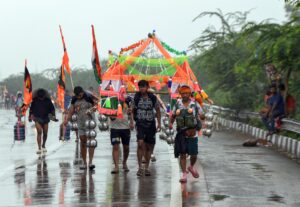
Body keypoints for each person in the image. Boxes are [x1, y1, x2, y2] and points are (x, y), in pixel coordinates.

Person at [169, 85, 203, 183]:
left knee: (194, 154)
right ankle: (184, 174)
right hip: (181, 133)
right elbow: (173, 115)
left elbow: (202, 114)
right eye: (183, 93)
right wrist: (171, 123)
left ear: (189, 94)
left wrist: (201, 115)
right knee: (182, 154)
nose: (185, 95)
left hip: (192, 133)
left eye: (187, 93)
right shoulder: (177, 104)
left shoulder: (195, 104)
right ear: (180, 94)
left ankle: (191, 167)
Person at [131, 80, 161, 176]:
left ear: (147, 87)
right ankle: (140, 167)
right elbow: (131, 110)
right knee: (140, 144)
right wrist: (131, 121)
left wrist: (159, 123)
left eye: (143, 87)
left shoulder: (153, 97)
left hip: (151, 124)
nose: (141, 89)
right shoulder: (136, 97)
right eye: (140, 87)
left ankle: (147, 168)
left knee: (148, 147)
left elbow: (158, 110)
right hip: (140, 124)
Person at [64, 86, 98, 170]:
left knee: (91, 142)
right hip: (80, 123)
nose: (79, 97)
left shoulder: (89, 97)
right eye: (77, 96)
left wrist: (92, 109)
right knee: (83, 141)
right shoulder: (74, 99)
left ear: (82, 92)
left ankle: (90, 162)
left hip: (90, 123)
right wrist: (67, 120)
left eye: (80, 95)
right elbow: (71, 111)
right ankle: (84, 162)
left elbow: (97, 105)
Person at [110, 96, 134, 174]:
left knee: (126, 147)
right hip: (114, 128)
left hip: (125, 127)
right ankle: (116, 166)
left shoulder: (127, 100)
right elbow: (110, 116)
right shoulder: (112, 100)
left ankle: (124, 162)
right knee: (115, 146)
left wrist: (131, 122)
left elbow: (130, 112)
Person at [29, 88, 57, 154]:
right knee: (39, 132)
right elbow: (31, 109)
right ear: (38, 96)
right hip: (37, 118)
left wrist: (53, 115)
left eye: (42, 97)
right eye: (39, 97)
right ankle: (39, 148)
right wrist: (30, 116)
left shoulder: (48, 101)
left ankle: (43, 145)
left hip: (45, 118)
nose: (41, 98)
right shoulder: (34, 101)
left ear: (44, 96)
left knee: (45, 133)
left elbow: (52, 109)